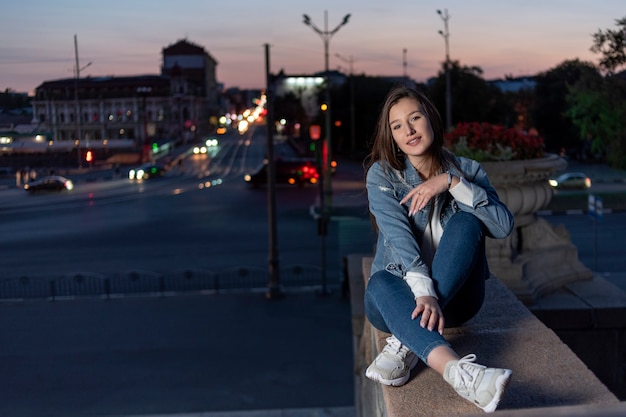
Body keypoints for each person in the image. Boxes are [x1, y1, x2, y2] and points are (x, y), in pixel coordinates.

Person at [363, 84, 515, 413]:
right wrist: (423, 292)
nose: (409, 130)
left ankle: (407, 340)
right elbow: (399, 237)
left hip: (457, 303)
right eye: (397, 125)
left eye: (415, 118)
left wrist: (451, 182)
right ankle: (460, 372)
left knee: (468, 222)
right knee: (378, 281)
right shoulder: (383, 175)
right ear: (391, 135)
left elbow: (502, 226)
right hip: (396, 300)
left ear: (431, 118)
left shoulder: (467, 170)